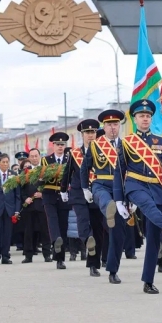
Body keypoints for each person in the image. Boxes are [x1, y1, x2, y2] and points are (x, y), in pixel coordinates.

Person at [113, 99, 162, 295]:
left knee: (154, 238)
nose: (145, 119)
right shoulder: (126, 143)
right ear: (134, 119)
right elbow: (119, 172)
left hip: (158, 189)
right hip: (135, 186)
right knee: (148, 205)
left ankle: (148, 281)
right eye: (141, 116)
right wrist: (118, 200)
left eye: (148, 116)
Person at [82, 109, 126, 284]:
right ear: (104, 127)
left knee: (118, 232)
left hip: (121, 188)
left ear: (119, 126)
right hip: (101, 183)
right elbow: (85, 167)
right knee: (106, 201)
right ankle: (109, 207)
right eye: (109, 125)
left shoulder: (127, 145)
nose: (112, 127)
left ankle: (113, 270)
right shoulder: (96, 145)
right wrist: (86, 188)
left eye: (115, 124)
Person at [61, 118, 104, 277]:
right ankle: (87, 240)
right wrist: (63, 190)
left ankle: (93, 265)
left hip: (97, 193)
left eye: (93, 132)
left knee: (98, 230)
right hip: (79, 194)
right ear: (82, 134)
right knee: (83, 222)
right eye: (87, 132)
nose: (90, 135)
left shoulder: (103, 153)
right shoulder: (75, 153)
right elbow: (67, 174)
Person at [41, 132, 71, 270]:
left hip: (64, 196)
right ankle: (55, 241)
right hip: (49, 195)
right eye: (58, 144)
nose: (60, 147)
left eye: (62, 144)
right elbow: (40, 178)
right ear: (53, 145)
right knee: (52, 221)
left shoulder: (69, 159)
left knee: (63, 225)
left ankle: (60, 259)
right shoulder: (46, 160)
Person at [20, 150, 51, 263]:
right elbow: (21, 190)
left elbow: (50, 186)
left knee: (45, 231)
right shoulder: (25, 172)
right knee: (28, 232)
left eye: (36, 156)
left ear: (40, 157)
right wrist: (25, 198)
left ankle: (47, 254)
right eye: (32, 156)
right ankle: (28, 255)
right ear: (29, 158)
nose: (34, 158)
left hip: (42, 205)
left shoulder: (45, 170)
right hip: (29, 206)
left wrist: (43, 194)